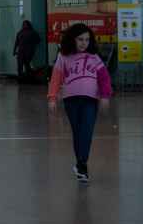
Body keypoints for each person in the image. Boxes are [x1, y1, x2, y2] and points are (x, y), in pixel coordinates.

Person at [48, 23, 112, 183]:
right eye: (80, 39)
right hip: (71, 100)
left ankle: (82, 163)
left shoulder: (94, 57)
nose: (84, 43)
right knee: (78, 132)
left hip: (90, 100)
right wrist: (52, 97)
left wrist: (105, 96)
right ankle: (81, 165)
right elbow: (56, 78)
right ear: (72, 40)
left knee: (87, 131)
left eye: (87, 40)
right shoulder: (64, 57)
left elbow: (104, 78)